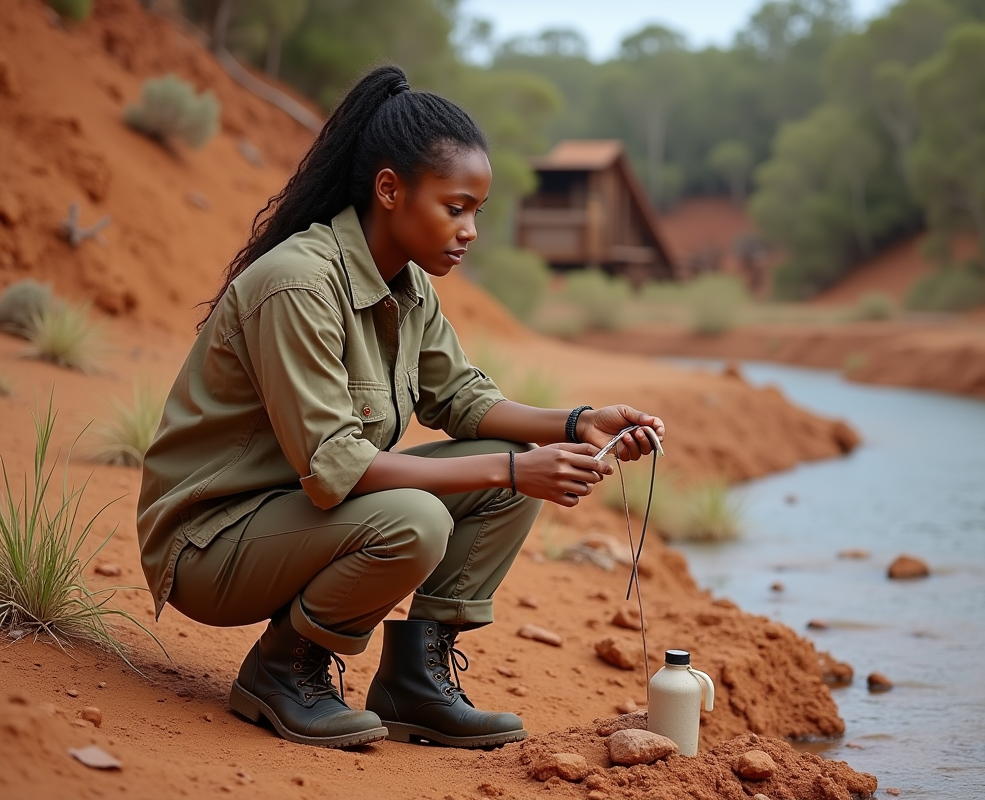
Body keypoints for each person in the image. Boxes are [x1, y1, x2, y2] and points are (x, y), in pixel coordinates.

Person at [136, 64, 665, 751]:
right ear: (390, 190)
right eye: (456, 207)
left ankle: (414, 681)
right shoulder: (298, 285)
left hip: (296, 518)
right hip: (210, 544)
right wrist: (512, 471)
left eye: (476, 209)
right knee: (427, 513)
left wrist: (577, 423)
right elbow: (337, 470)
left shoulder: (409, 285)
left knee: (501, 473)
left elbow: (461, 398)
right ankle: (282, 669)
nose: (470, 229)